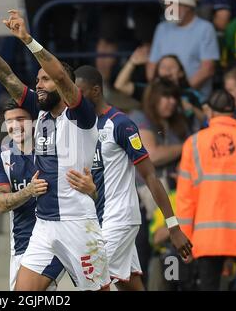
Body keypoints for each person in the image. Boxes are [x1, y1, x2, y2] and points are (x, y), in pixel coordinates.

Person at [0, 6, 110, 291]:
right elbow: (4, 75)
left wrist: (27, 40)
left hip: (78, 222)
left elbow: (61, 77)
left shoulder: (80, 114)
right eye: (37, 79)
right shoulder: (39, 112)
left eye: (44, 80)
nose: (38, 84)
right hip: (44, 225)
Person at [66, 65, 192, 291]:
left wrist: (173, 227)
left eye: (80, 92)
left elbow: (150, 175)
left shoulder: (121, 124)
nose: (75, 98)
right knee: (130, 284)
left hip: (120, 218)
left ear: (95, 91)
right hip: (99, 218)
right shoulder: (80, 126)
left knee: (92, 279)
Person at [176, 89, 236, 291]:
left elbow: (185, 199)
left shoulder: (194, 143)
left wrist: (185, 241)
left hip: (208, 238)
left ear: (210, 112)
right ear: (234, 112)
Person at [0, 100, 65, 290]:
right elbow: (0, 203)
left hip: (56, 240)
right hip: (23, 244)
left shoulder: (54, 150)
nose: (15, 126)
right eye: (9, 121)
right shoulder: (1, 155)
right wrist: (29, 191)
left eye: (21, 119)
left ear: (34, 121)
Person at [148, 0, 220, 99]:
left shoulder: (205, 29)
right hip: (163, 98)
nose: (168, 9)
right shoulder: (161, 28)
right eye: (167, 5)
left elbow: (208, 69)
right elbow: (151, 67)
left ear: (187, 6)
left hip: (194, 98)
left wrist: (181, 94)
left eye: (172, 5)